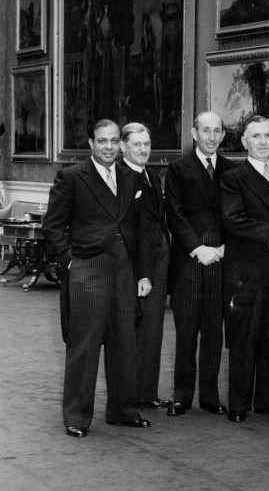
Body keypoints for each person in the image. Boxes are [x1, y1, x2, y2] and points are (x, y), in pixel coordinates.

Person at [42, 119, 158, 438]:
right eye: (102, 141)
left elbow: (141, 230)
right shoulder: (71, 177)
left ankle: (123, 411)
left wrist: (143, 273)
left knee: (123, 340)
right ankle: (76, 417)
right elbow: (52, 227)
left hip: (125, 271)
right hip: (87, 269)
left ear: (120, 144)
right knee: (85, 344)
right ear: (91, 143)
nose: (108, 147)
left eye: (113, 141)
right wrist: (70, 265)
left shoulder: (131, 177)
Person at [219, 115, 269, 423]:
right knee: (244, 336)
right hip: (247, 269)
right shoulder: (233, 178)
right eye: (257, 136)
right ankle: (238, 405)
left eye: (268, 135)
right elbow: (234, 220)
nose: (264, 141)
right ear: (245, 142)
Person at [165, 112, 236, 417]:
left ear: (223, 135)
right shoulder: (178, 169)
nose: (211, 136)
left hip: (220, 259)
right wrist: (197, 249)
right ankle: (182, 396)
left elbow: (237, 216)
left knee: (213, 332)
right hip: (189, 261)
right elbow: (175, 215)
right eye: (205, 130)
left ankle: (210, 397)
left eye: (216, 131)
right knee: (186, 331)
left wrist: (223, 247)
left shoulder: (233, 171)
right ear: (194, 133)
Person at [119, 123, 172, 412]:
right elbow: (130, 230)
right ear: (123, 147)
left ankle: (146, 393)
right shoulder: (119, 176)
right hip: (135, 266)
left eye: (147, 144)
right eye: (137, 144)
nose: (143, 150)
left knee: (153, 329)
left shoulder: (151, 174)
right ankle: (126, 396)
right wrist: (143, 272)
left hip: (159, 260)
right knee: (131, 331)